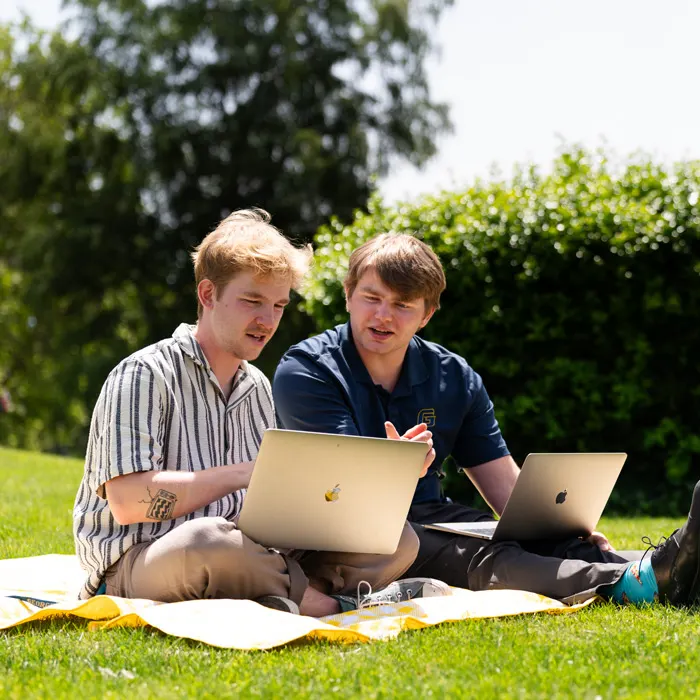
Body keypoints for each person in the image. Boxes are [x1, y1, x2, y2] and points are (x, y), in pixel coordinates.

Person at [273, 232, 700, 607]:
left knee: (537, 538)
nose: (383, 315)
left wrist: (562, 529)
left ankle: (673, 570)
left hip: (432, 516)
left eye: (403, 305)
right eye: (372, 298)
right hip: (356, 536)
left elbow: (504, 488)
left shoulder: (453, 375)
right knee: (481, 557)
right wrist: (394, 468)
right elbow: (340, 496)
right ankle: (632, 583)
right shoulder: (308, 370)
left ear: (427, 315)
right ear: (348, 294)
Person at [73, 211, 451, 617]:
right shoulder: (145, 373)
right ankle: (329, 604)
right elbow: (129, 502)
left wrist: (382, 479)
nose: (267, 321)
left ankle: (281, 597)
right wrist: (245, 472)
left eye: (278, 306)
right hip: (139, 563)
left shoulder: (256, 387)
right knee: (207, 541)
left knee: (400, 538)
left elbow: (279, 509)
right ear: (207, 294)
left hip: (246, 550)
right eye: (252, 301)